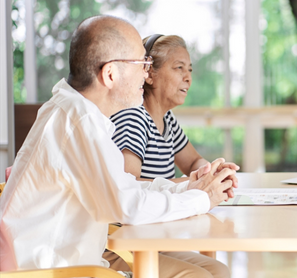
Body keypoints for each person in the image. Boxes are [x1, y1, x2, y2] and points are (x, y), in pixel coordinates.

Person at [0, 15, 237, 278]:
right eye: (142, 63)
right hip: (52, 269)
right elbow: (127, 205)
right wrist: (201, 199)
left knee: (215, 270)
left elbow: (123, 185)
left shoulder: (76, 112)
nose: (146, 73)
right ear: (110, 73)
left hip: (78, 256)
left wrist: (187, 188)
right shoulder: (81, 122)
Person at [105, 34, 237, 277]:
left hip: (150, 236)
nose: (188, 77)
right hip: (122, 243)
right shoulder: (133, 118)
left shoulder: (166, 120)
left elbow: (193, 162)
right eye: (178, 68)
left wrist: (211, 172)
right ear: (150, 74)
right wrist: (195, 186)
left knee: (219, 271)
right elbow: (128, 186)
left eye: (189, 69)